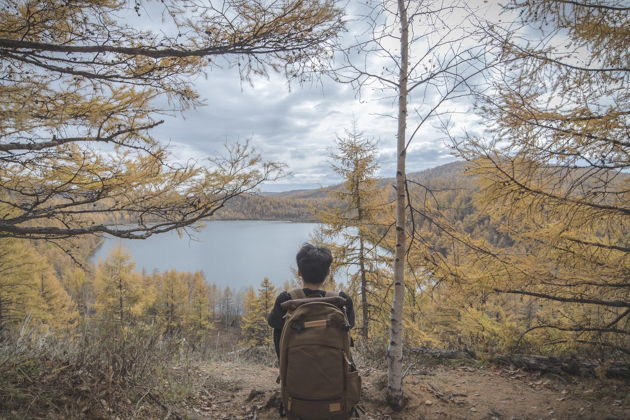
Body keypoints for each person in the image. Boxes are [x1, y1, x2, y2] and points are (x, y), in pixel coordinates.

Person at [267, 243, 355, 357]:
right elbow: (350, 324)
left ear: (299, 272)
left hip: (295, 370)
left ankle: (285, 367)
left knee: (279, 325)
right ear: (328, 272)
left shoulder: (286, 300)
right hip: (333, 370)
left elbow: (272, 322)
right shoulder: (342, 300)